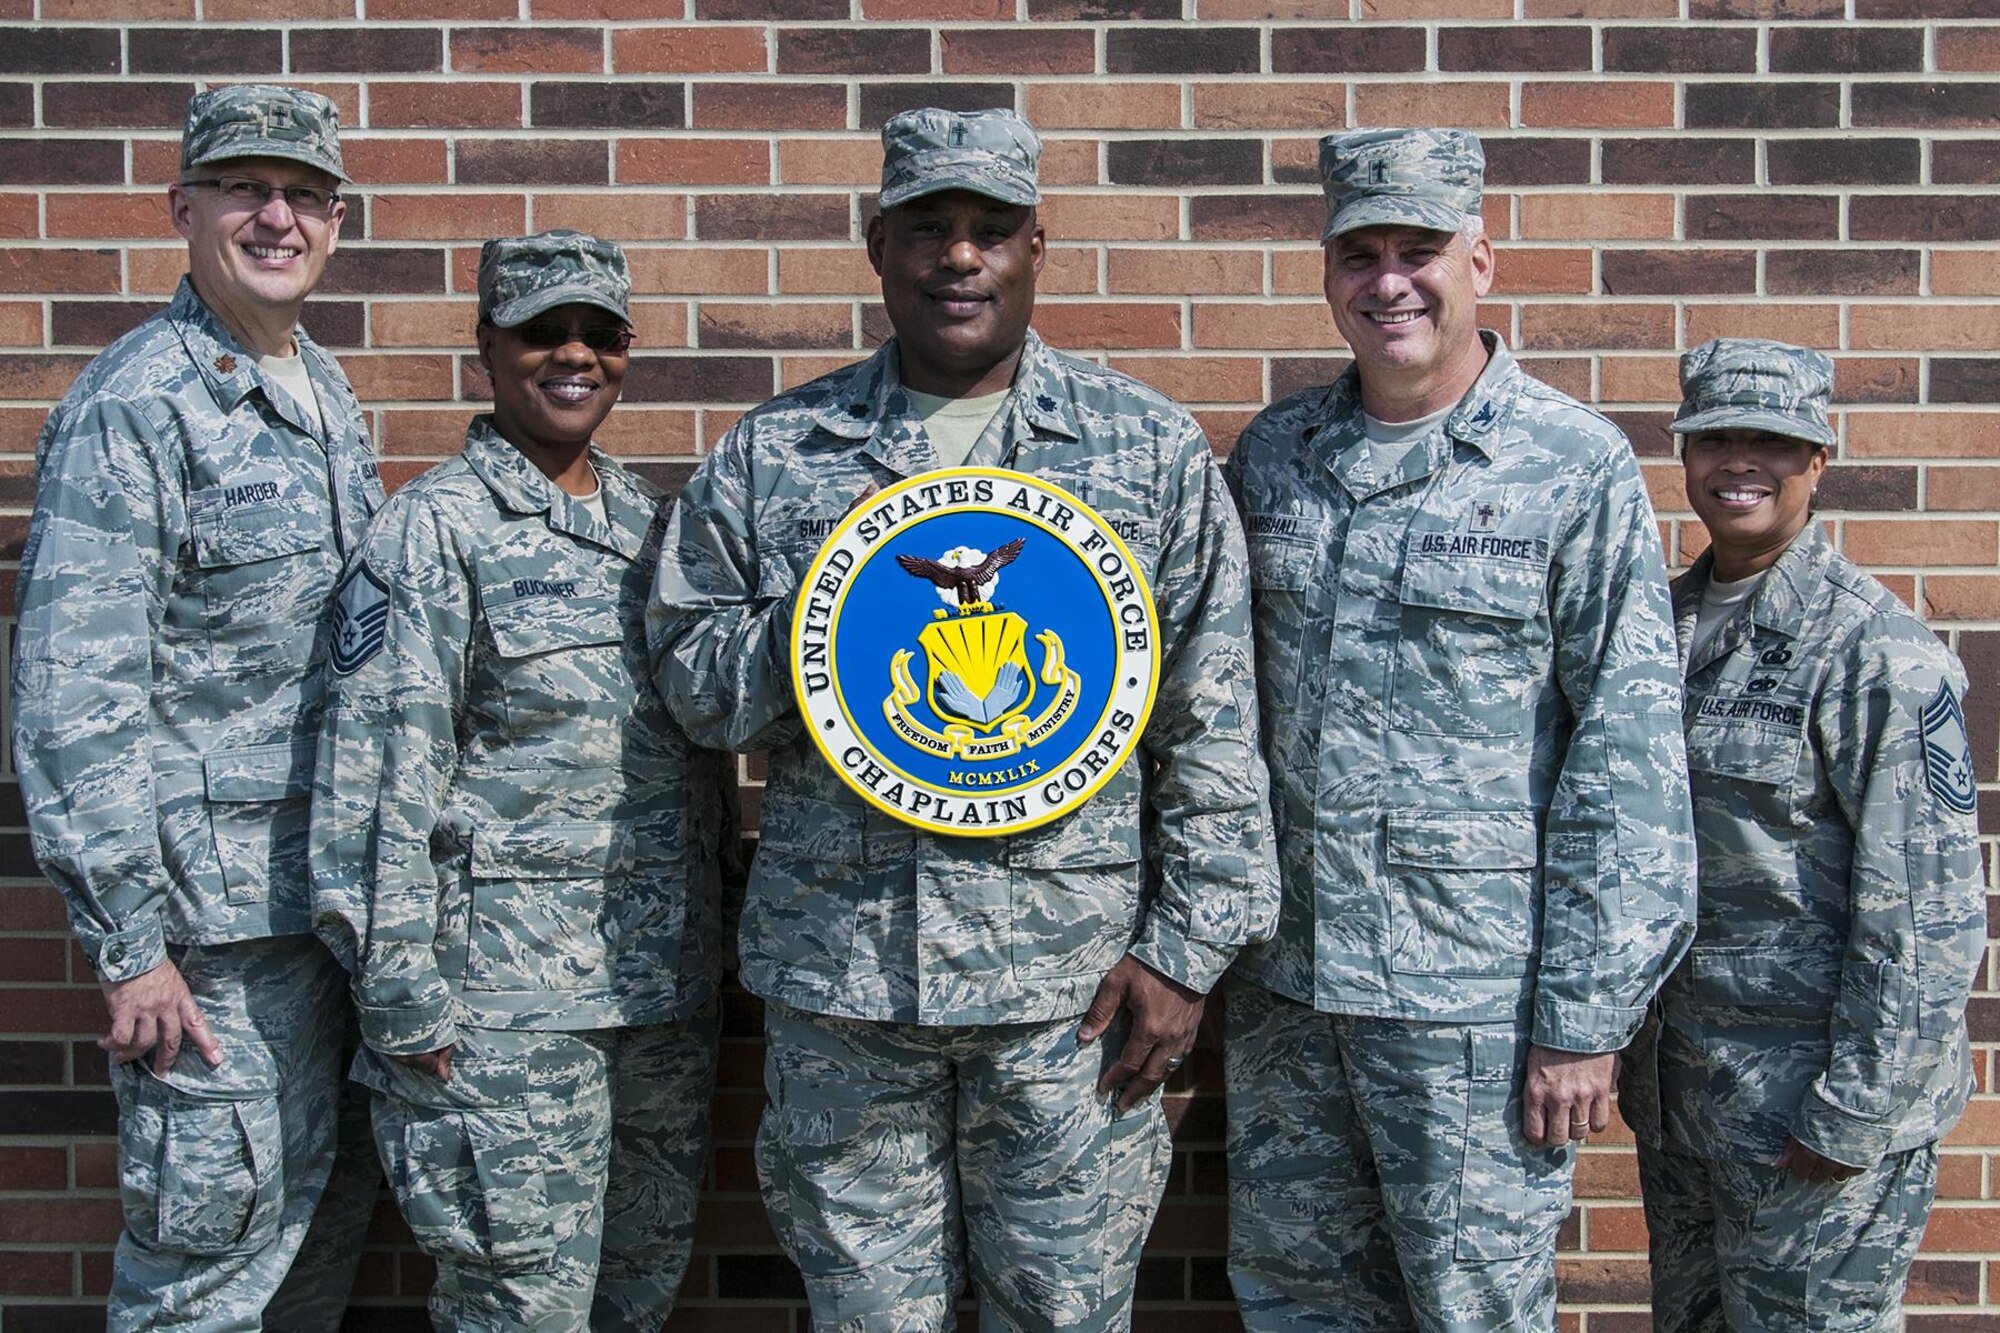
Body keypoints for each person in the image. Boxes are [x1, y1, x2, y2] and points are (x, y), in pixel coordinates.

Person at [649, 107, 1275, 1332]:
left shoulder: (1143, 451)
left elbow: (1210, 720)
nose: (959, 256)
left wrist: (1185, 953)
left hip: (1073, 995)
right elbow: (690, 679)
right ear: (875, 244)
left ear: (1038, 247)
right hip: (846, 987)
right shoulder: (777, 451)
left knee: (1064, 1316)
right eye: (927, 228)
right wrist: (830, 625)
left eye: (991, 230)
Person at [1220, 126, 1697, 1332]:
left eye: (1418, 249)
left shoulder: (1569, 463)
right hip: (1287, 994)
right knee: (1297, 1305)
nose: (1389, 280)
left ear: (1480, 258)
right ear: (1327, 275)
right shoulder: (1277, 456)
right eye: (1358, 253)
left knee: (1471, 1312)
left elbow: (1627, 753)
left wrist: (1582, 1021)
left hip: (1474, 1010)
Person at [309, 230, 730, 1331]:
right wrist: (399, 1001)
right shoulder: (434, 529)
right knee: (517, 1311)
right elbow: (375, 780)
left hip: (655, 1002)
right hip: (500, 1018)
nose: (573, 356)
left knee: (633, 1301)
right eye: (542, 332)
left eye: (600, 334)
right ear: (486, 349)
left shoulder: (653, 525)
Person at [10, 84, 380, 1331]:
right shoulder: (139, 406)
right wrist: (130, 943)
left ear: (336, 221)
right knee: (204, 1278)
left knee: (310, 1250)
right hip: (206, 949)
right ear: (185, 207)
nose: (278, 217)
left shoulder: (322, 391)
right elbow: (74, 690)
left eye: (306, 196)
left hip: (320, 917)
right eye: (245, 189)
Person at [1617, 338, 1985, 1331]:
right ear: (1684, 454)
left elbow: (1928, 914)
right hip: (1683, 1107)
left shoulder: (1873, 653)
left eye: (1770, 442)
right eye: (1716, 437)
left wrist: (1852, 1111)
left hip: (1811, 1124)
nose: (1740, 461)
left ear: (1815, 460)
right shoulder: (1655, 628)